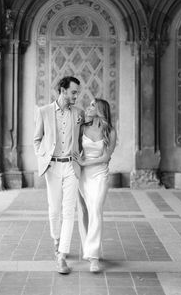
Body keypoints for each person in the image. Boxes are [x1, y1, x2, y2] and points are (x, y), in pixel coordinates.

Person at [33, 76, 84, 274]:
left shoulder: (78, 113)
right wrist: (43, 156)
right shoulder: (44, 112)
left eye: (77, 92)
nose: (76, 96)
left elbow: (80, 138)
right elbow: (37, 140)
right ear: (62, 91)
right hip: (52, 167)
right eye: (73, 92)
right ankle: (56, 239)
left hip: (71, 167)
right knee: (54, 208)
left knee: (69, 210)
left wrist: (80, 157)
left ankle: (62, 255)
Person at [73, 98, 117, 273]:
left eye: (92, 105)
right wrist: (77, 167)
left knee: (96, 209)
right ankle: (88, 249)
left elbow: (106, 157)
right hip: (83, 175)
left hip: (99, 173)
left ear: (100, 110)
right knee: (85, 211)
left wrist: (85, 163)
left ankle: (94, 257)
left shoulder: (110, 131)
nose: (88, 107)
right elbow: (74, 150)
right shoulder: (82, 128)